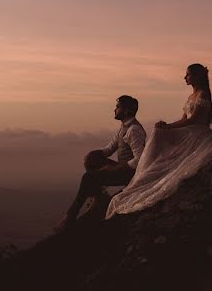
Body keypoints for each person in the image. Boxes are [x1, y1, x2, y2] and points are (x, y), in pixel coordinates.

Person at [106, 63, 212, 219]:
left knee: (159, 133)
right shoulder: (191, 96)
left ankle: (144, 168)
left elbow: (193, 120)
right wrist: (168, 127)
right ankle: (146, 169)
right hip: (188, 129)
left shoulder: (203, 94)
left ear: (197, 76)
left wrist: (168, 127)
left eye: (188, 74)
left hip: (197, 132)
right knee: (158, 132)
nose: (185, 77)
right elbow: (183, 119)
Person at [55, 95, 146, 230]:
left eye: (117, 107)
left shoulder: (134, 130)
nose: (114, 110)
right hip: (122, 169)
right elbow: (109, 149)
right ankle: (98, 198)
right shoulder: (123, 128)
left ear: (126, 111)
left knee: (88, 177)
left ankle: (70, 216)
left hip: (130, 173)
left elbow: (140, 159)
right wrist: (93, 155)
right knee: (92, 159)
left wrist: (113, 169)